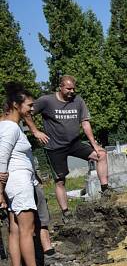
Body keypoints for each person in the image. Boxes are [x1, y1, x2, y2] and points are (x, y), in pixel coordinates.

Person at [0, 82, 60, 266]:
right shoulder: (10, 128)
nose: (31, 110)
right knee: (27, 230)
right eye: (29, 106)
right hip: (18, 183)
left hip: (13, 184)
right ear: (16, 105)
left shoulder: (5, 125)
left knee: (15, 230)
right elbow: (1, 159)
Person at [24, 75, 109, 221]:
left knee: (101, 155)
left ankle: (106, 190)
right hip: (55, 147)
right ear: (61, 87)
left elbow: (85, 123)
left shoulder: (78, 100)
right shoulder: (47, 101)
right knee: (60, 180)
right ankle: (65, 213)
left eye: (73, 88)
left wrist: (94, 144)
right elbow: (26, 112)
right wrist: (35, 131)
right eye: (68, 88)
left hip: (74, 143)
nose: (71, 91)